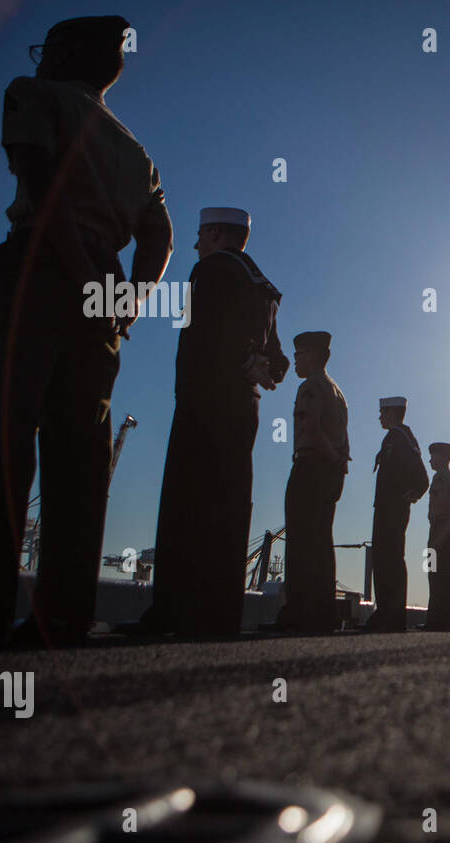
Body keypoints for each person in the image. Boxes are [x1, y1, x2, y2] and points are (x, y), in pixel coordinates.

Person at [0, 16, 172, 648]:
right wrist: (128, 297)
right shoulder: (134, 150)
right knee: (82, 452)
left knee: (2, 433)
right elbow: (160, 234)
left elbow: (40, 178)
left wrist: (68, 258)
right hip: (103, 291)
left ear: (64, 54)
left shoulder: (31, 94)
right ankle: (62, 614)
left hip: (35, 267)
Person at [141, 206, 285, 638]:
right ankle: (219, 614)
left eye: (201, 232)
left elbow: (205, 334)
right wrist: (257, 366)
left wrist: (225, 366)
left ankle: (173, 612)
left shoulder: (213, 270)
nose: (196, 242)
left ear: (218, 232)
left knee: (187, 504)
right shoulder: (262, 284)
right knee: (229, 504)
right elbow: (277, 362)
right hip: (245, 404)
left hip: (205, 400)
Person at [275, 331, 349, 632]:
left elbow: (312, 429)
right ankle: (323, 613)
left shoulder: (310, 387)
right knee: (321, 541)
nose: (294, 361)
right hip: (331, 471)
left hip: (310, 467)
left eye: (299, 355)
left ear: (314, 356)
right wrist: (337, 466)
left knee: (301, 541)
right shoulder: (336, 390)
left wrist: (328, 459)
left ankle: (298, 612)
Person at [363, 397, 428, 632]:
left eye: (383, 412)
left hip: (390, 507)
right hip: (390, 505)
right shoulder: (402, 437)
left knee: (387, 559)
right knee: (388, 558)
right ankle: (391, 615)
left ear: (391, 412)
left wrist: (413, 492)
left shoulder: (398, 437)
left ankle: (388, 616)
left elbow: (421, 476)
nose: (380, 417)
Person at [423, 442, 450, 631]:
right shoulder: (449, 479)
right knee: (442, 574)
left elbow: (447, 507)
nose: (430, 460)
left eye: (433, 456)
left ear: (443, 458)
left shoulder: (442, 478)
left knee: (436, 572)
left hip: (441, 529)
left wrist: (439, 537)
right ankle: (440, 618)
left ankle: (437, 619)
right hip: (444, 528)